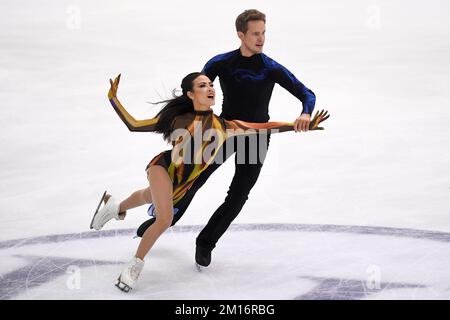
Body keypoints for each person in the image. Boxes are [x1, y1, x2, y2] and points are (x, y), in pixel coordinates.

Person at [91, 72, 328, 292]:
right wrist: (113, 98)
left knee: (147, 196)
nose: (210, 88)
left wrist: (298, 125)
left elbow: (264, 127)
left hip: (180, 185)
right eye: (202, 85)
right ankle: (134, 265)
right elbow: (134, 125)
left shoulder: (225, 127)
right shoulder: (179, 119)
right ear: (191, 95)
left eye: (211, 84)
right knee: (165, 218)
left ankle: (115, 207)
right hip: (162, 168)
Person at [136, 9, 318, 269]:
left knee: (238, 195)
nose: (261, 38)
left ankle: (206, 243)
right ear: (240, 34)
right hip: (222, 132)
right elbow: (196, 92)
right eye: (255, 33)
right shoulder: (221, 63)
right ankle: (167, 219)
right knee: (194, 177)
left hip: (255, 137)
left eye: (264, 33)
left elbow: (306, 92)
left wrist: (305, 113)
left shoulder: (270, 68)